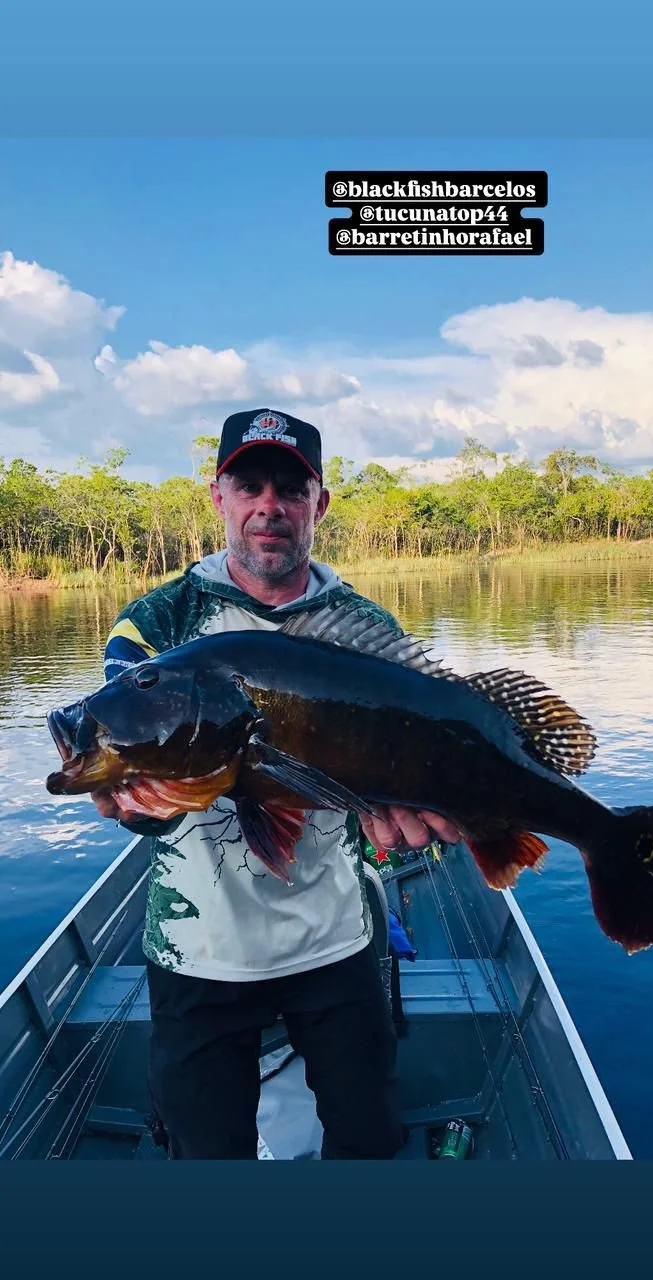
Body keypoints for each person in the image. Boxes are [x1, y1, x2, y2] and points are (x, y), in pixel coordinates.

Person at [91, 407, 461, 1160]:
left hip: (335, 938)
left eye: (291, 490)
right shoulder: (157, 625)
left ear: (318, 505)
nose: (270, 507)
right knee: (207, 1152)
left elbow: (409, 756)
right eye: (250, 484)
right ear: (219, 495)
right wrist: (132, 799)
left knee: (368, 1137)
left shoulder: (363, 624)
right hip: (202, 947)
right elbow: (133, 750)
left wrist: (406, 827)